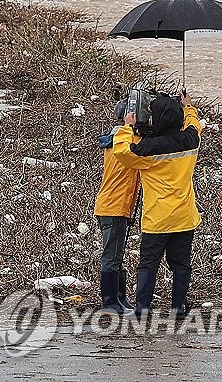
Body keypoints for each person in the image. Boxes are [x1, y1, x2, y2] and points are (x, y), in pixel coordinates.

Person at [111, 91, 201, 319]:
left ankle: (143, 308)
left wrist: (126, 127)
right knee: (181, 263)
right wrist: (188, 106)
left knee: (148, 263)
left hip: (157, 219)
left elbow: (122, 152)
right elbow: (194, 124)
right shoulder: (191, 140)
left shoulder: (146, 150)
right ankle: (178, 308)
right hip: (184, 216)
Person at [94, 100, 141, 315]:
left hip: (116, 206)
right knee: (111, 256)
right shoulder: (123, 141)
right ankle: (110, 302)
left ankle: (119, 298)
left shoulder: (117, 138)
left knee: (116, 254)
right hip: (113, 207)